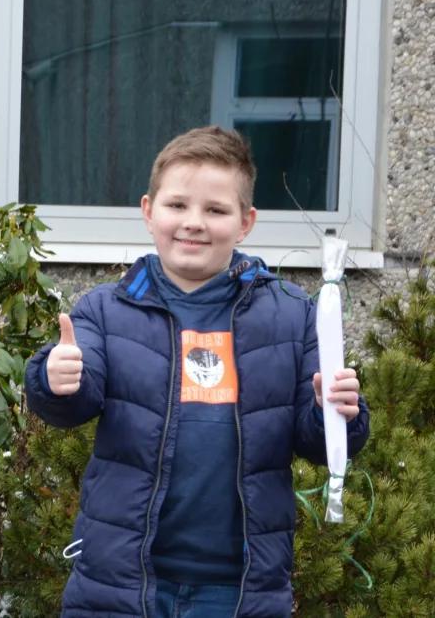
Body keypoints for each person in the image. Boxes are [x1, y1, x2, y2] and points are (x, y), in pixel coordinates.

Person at [24, 126, 370, 617]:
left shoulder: (292, 316)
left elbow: (324, 442)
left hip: (239, 589)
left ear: (246, 222)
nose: (194, 223)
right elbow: (70, 403)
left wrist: (335, 412)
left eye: (215, 210)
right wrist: (55, 380)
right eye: (177, 206)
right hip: (120, 583)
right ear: (148, 211)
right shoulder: (106, 311)